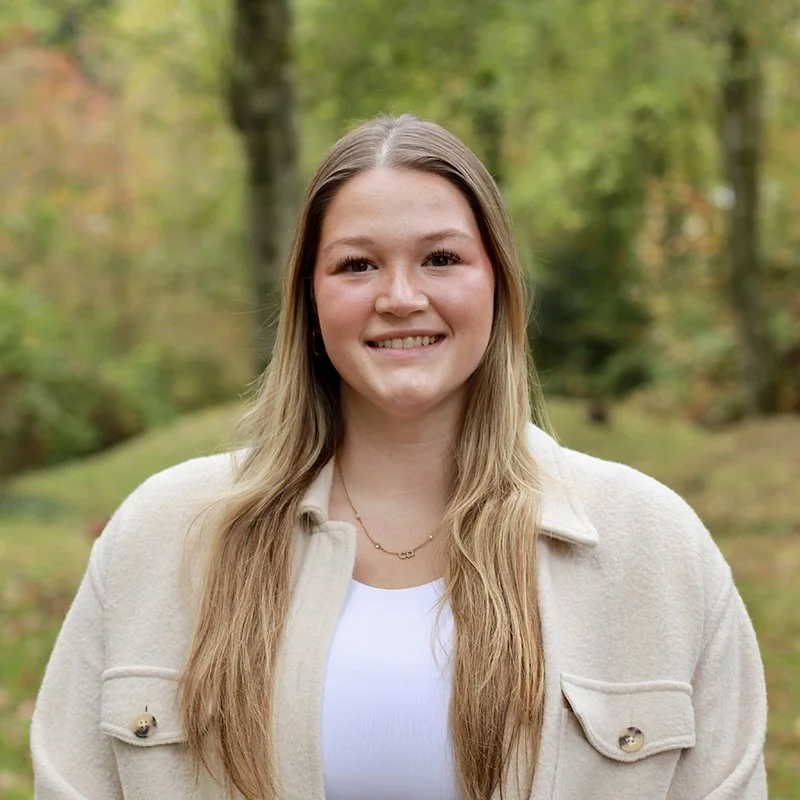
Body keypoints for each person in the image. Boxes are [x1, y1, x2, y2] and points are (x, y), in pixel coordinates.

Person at [31, 114, 767, 800]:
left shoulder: (655, 547)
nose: (401, 296)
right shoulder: (161, 537)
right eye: (357, 266)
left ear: (499, 286)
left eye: (441, 258)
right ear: (311, 303)